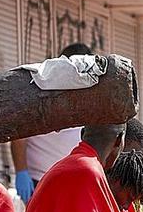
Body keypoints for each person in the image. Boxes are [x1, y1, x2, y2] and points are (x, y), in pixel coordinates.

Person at [12, 43, 92, 203]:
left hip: (74, 184)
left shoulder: (90, 97)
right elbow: (20, 134)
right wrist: (21, 171)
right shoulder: (40, 87)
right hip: (39, 182)